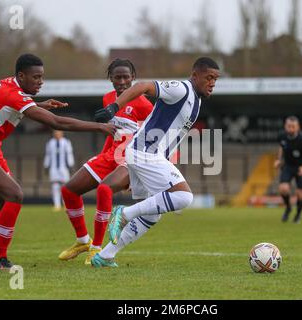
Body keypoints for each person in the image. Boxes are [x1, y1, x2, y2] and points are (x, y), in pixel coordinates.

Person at [0, 53, 117, 270]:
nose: (41, 81)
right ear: (21, 76)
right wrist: (99, 126)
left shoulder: (11, 86)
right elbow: (57, 122)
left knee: (6, 201)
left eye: (42, 77)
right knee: (15, 195)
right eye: (36, 77)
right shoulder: (13, 94)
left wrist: (37, 104)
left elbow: (9, 105)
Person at [91, 57, 220, 267]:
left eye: (216, 79)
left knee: (152, 214)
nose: (213, 82)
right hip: (144, 152)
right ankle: (123, 214)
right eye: (209, 77)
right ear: (195, 75)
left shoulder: (196, 101)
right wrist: (114, 107)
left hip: (146, 154)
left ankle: (105, 256)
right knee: (184, 197)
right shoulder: (181, 89)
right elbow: (143, 86)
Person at [58, 59, 153, 265]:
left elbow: (154, 140)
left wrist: (140, 176)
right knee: (69, 191)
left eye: (126, 77)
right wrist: (101, 158)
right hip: (110, 154)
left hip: (131, 159)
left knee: (104, 190)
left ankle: (96, 249)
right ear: (110, 78)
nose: (122, 81)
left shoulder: (145, 105)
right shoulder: (108, 99)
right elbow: (112, 132)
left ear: (133, 78)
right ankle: (83, 241)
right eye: (117, 77)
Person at [274, 116, 302, 223]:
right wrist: (278, 160)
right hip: (288, 166)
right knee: (283, 188)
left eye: (293, 126)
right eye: (288, 126)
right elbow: (281, 147)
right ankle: (288, 208)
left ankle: (298, 214)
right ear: (285, 126)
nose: (290, 128)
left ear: (298, 127)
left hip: (301, 167)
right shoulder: (282, 136)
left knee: (300, 194)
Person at [44, 130, 74, 211]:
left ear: (62, 133)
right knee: (55, 186)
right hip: (54, 168)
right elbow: (48, 155)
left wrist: (71, 165)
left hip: (63, 168)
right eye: (55, 133)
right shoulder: (50, 143)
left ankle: (65, 204)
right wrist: (46, 165)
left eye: (58, 132)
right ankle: (57, 205)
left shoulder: (66, 142)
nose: (57, 134)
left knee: (65, 186)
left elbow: (69, 153)